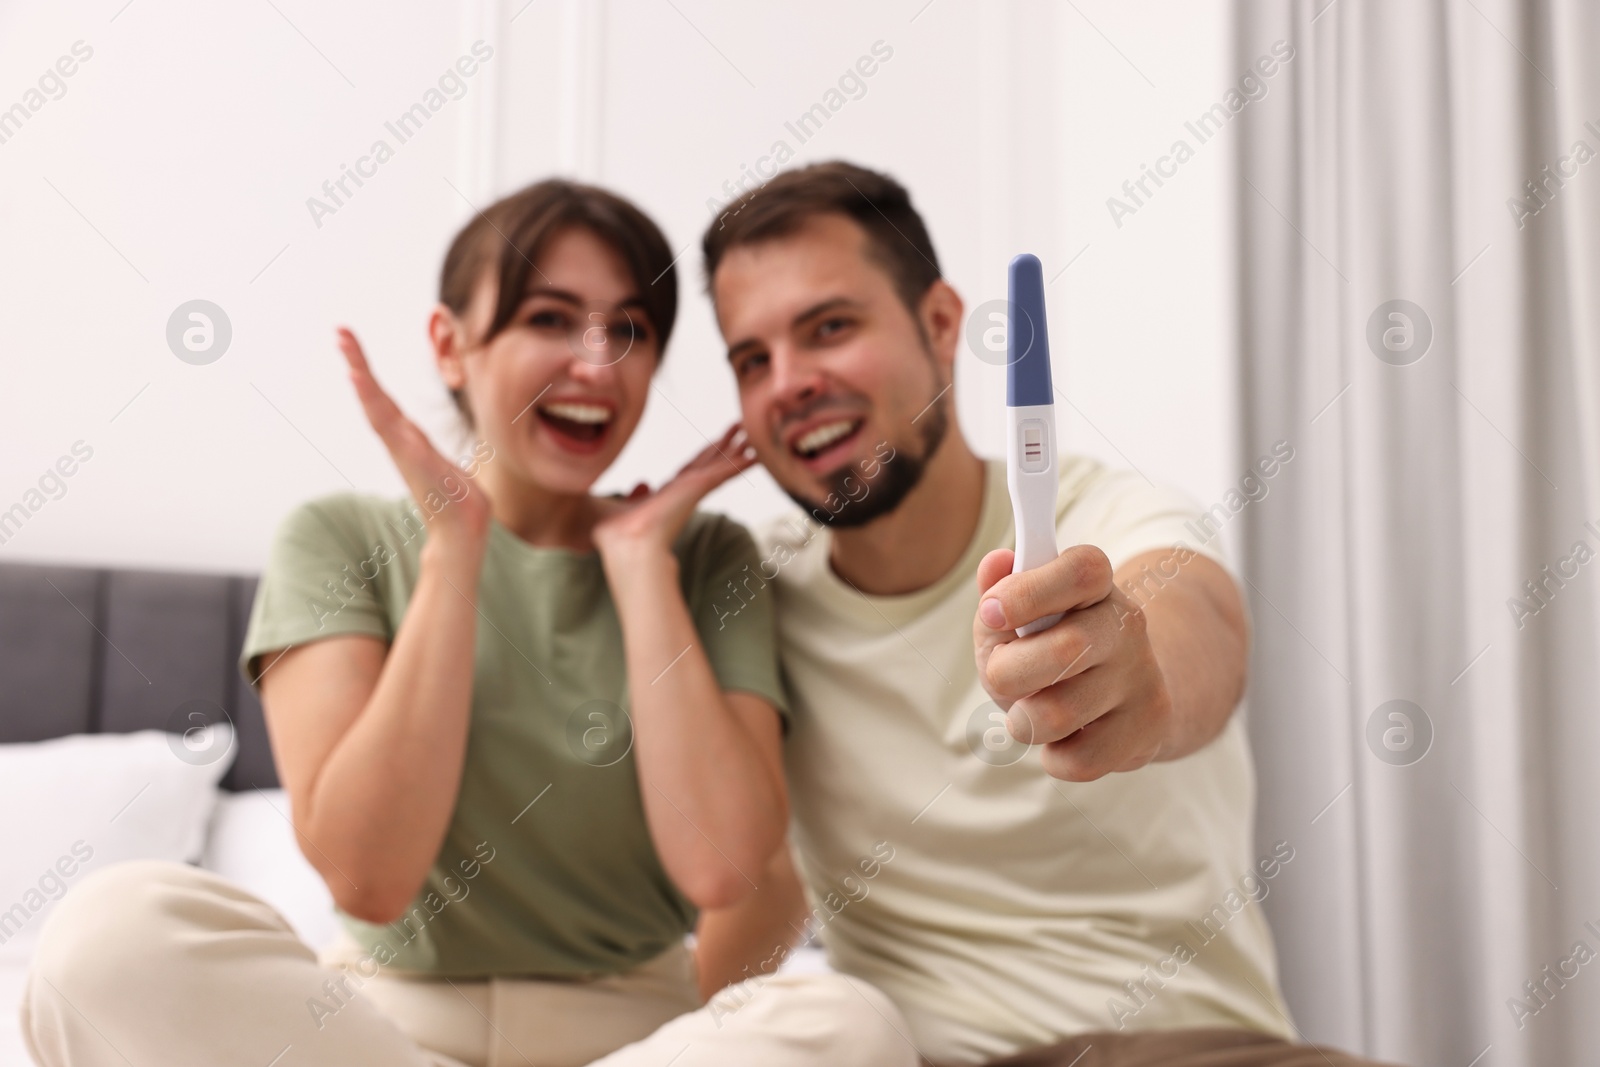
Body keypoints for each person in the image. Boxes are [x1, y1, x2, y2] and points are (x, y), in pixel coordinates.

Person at [20, 179, 910, 1067]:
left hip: (638, 1037)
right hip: (379, 1034)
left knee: (851, 1026)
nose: (596, 365)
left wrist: (642, 569)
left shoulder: (706, 557)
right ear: (451, 346)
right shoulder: (342, 540)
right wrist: (454, 547)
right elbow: (371, 878)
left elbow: (721, 867)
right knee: (103, 940)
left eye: (629, 331)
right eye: (550, 319)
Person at [591, 161, 1400, 1067]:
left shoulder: (1110, 517)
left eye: (830, 327)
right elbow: (749, 894)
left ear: (941, 326)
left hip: (1181, 1049)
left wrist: (1138, 685)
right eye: (753, 359)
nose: (790, 382)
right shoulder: (758, 592)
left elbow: (1196, 623)